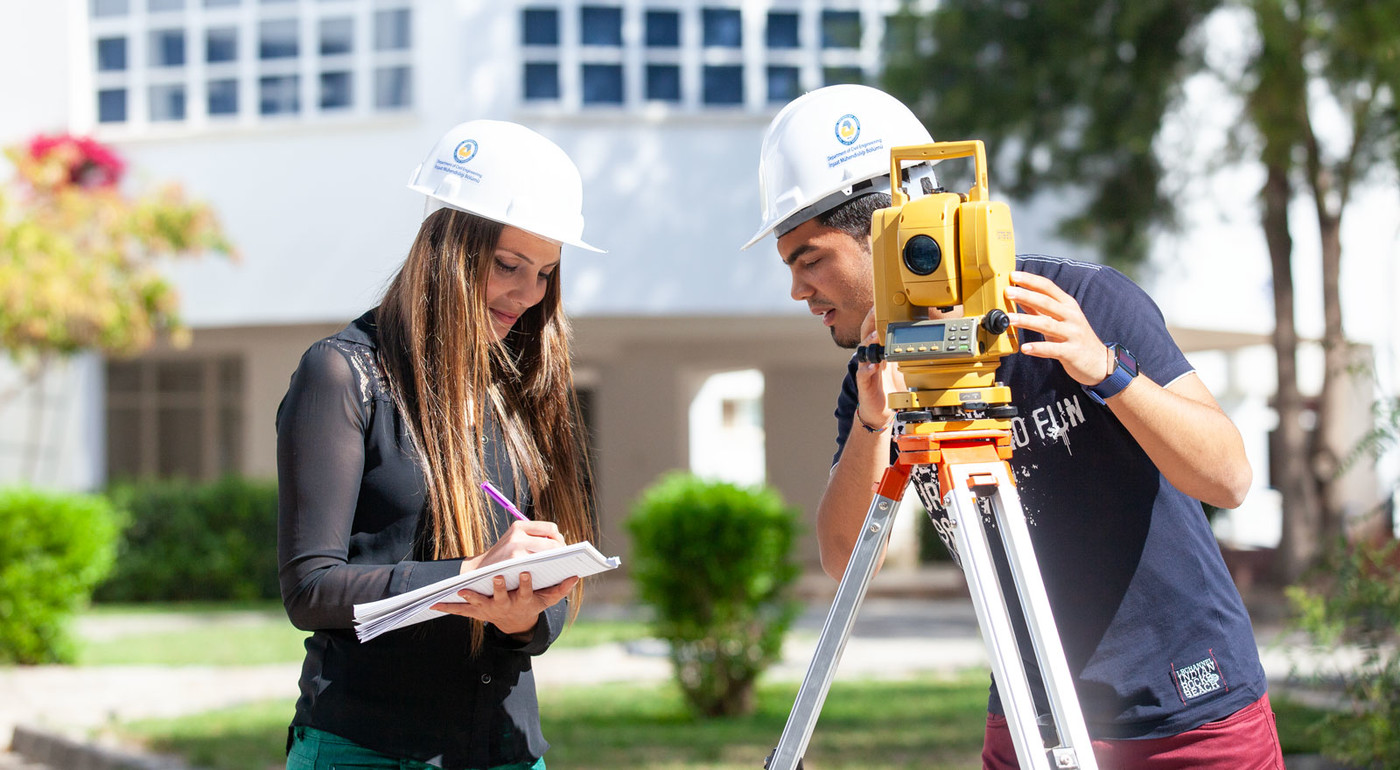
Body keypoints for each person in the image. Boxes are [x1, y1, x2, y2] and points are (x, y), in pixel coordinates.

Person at [743, 84, 1284, 768]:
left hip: (1186, 717)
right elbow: (843, 556)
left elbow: (1230, 479)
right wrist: (872, 423)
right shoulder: (876, 377)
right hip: (1034, 719)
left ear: (889, 230)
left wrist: (1105, 370)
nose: (797, 290)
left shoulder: (1078, 306)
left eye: (809, 258)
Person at [276, 119, 602, 770]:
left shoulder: (526, 387)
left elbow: (552, 605)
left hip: (507, 751)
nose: (527, 293)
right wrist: (468, 576)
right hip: (366, 751)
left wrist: (523, 616)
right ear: (445, 246)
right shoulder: (343, 374)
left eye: (544, 273)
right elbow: (311, 588)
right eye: (509, 265)